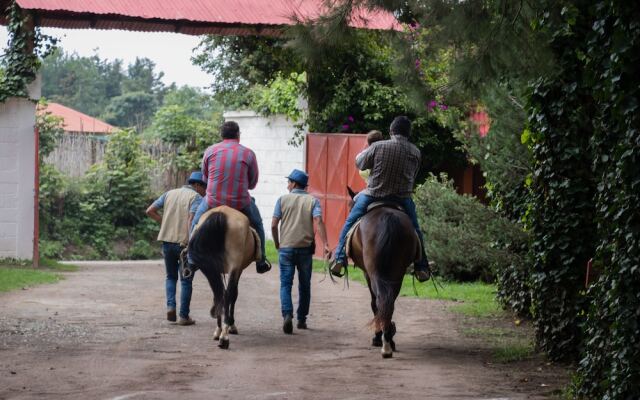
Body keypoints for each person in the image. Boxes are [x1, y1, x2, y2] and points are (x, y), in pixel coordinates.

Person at [330, 116, 432, 282]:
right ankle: (422, 266)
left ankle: (340, 259)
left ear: (391, 131)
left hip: (373, 195)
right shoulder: (416, 152)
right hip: (402, 198)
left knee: (350, 222)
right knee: (415, 228)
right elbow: (413, 175)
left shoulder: (378, 146)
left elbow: (360, 164)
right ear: (409, 133)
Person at [189, 121, 271, 273]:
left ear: (221, 135)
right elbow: (252, 183)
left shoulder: (210, 151)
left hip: (213, 200)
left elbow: (205, 178)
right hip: (240, 201)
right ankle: (261, 260)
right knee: (258, 224)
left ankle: (191, 259)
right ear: (238, 135)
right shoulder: (248, 153)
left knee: (195, 223)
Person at [272, 169, 330, 334]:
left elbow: (274, 225)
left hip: (286, 249)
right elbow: (318, 221)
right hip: (305, 249)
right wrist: (325, 244)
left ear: (294, 183)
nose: (287, 185)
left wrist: (277, 243)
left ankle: (287, 314)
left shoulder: (282, 200)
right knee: (304, 286)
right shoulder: (313, 201)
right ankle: (301, 319)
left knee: (285, 284)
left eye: (289, 182)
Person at [146, 171, 207, 326]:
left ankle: (171, 306)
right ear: (198, 185)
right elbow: (191, 220)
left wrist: (165, 223)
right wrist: (191, 242)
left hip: (167, 241)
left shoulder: (169, 194)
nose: (205, 191)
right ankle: (183, 316)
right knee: (186, 280)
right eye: (204, 187)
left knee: (171, 277)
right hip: (183, 245)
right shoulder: (196, 198)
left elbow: (150, 210)